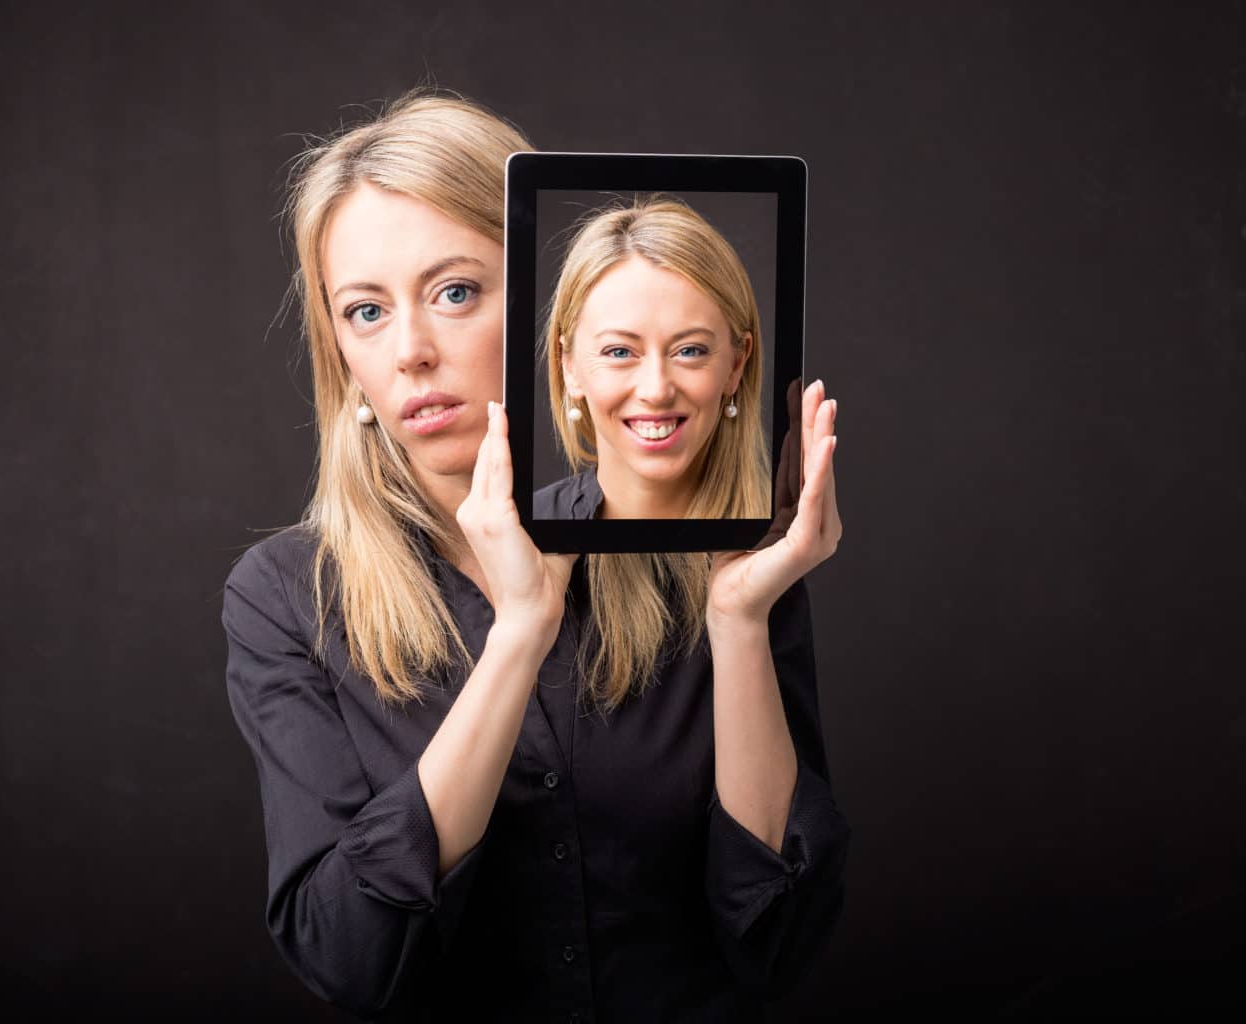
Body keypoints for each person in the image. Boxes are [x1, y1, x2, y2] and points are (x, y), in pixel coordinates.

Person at [222, 88, 849, 1023]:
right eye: (364, 312)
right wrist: (519, 635)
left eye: (457, 292)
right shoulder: (285, 597)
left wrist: (741, 622)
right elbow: (347, 954)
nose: (412, 352)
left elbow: (776, 941)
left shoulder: (704, 554)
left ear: (544, 319)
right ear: (338, 352)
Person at [538, 195, 770, 521]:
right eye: (619, 352)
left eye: (689, 351)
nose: (657, 391)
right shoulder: (518, 542)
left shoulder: (776, 550)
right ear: (569, 365)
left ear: (736, 364)